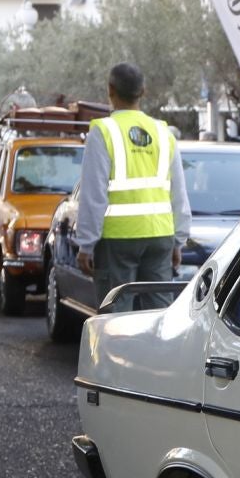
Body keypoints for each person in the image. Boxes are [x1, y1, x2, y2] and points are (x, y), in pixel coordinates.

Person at [74, 62, 191, 311]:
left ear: (110, 90)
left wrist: (86, 244)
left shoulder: (103, 131)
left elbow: (94, 194)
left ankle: (116, 352)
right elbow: (178, 192)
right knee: (158, 314)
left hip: (117, 240)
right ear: (143, 92)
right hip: (160, 236)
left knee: (115, 316)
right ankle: (156, 352)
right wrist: (179, 240)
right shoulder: (163, 133)